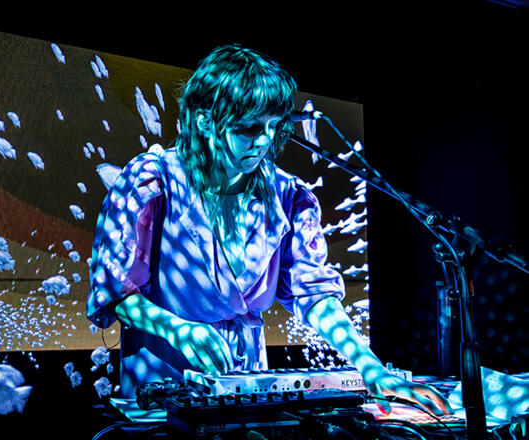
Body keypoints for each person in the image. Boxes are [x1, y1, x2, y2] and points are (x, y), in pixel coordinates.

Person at [86, 43, 451, 417]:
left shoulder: (284, 194)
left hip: (248, 381)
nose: (263, 141)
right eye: (249, 128)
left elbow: (315, 295)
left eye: (273, 126)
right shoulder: (153, 180)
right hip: (162, 380)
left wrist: (371, 368)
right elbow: (115, 290)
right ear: (204, 121)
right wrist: (178, 329)